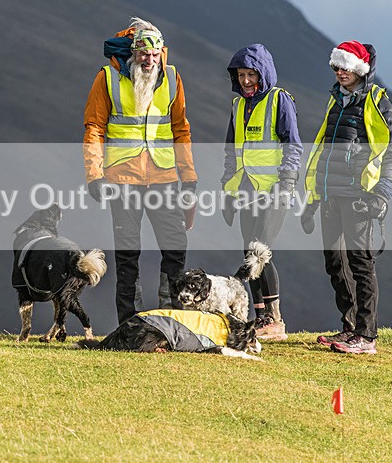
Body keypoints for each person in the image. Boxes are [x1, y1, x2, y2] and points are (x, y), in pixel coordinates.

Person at [83, 17, 198, 324]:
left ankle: (173, 318)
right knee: (127, 256)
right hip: (122, 180)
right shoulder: (107, 78)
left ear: (162, 52)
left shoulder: (172, 79)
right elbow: (94, 126)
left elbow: (180, 129)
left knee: (175, 249)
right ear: (133, 52)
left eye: (154, 53)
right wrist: (94, 175)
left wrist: (189, 177)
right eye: (143, 53)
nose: (149, 59)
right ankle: (130, 324)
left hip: (164, 178)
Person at [302, 40, 392, 354]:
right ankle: (349, 328)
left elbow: (391, 152)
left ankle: (366, 336)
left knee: (361, 263)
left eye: (346, 66)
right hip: (330, 195)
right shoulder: (336, 100)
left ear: (359, 68)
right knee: (335, 263)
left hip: (359, 197)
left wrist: (382, 195)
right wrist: (313, 198)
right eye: (337, 65)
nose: (340, 71)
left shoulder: (377, 100)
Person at [220, 44, 302, 341]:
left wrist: (287, 185)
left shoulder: (280, 101)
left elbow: (293, 145)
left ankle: (275, 320)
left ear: (263, 73)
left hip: (274, 189)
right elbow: (232, 152)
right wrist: (228, 192)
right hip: (246, 189)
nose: (245, 81)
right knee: (248, 253)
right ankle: (261, 318)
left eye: (251, 74)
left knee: (259, 251)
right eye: (241, 75)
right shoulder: (238, 105)